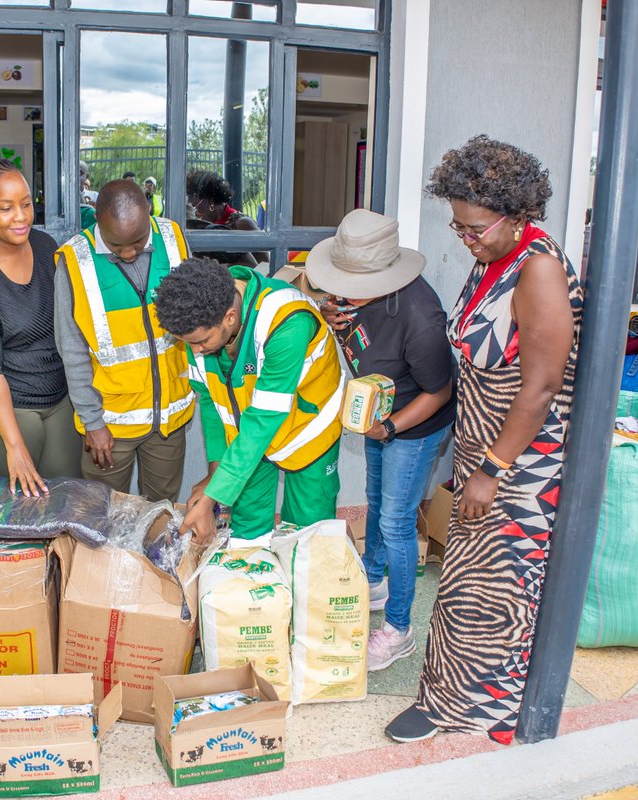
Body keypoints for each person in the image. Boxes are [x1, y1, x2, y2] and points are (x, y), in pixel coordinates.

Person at [386, 135, 582, 746]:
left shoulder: (539, 268)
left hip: (522, 463)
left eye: (473, 227)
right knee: (463, 583)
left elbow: (543, 384)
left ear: (517, 214)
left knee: (496, 591)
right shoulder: (495, 255)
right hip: (483, 449)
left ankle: (486, 709)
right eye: (457, 225)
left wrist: (492, 468)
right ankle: (456, 699)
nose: (463, 238)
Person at [306, 209, 455, 673]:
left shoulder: (420, 319)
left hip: (413, 425)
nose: (340, 288)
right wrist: (324, 310)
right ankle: (373, 580)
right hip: (377, 414)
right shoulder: (352, 293)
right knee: (375, 499)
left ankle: (399, 629)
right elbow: (299, 281)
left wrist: (390, 428)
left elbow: (440, 390)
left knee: (395, 521)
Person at [154, 257, 344, 542]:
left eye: (201, 341)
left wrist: (211, 497)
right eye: (188, 342)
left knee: (308, 534)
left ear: (230, 317)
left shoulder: (288, 321)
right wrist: (216, 474)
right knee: (247, 529)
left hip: (307, 431)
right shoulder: (201, 318)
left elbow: (264, 419)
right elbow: (211, 402)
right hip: (248, 439)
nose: (196, 350)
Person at [54, 179, 194, 501]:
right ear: (98, 223)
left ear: (148, 213)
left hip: (169, 418)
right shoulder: (75, 262)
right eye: (117, 247)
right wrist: (92, 422)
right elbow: (72, 351)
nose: (130, 253)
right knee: (103, 518)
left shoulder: (172, 237)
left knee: (161, 516)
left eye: (139, 241)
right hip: (109, 426)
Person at [0, 159, 82, 495]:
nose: (21, 216)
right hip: (11, 406)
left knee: (65, 499)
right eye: (6, 208)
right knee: (22, 505)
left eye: (26, 204)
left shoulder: (45, 246)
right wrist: (14, 446)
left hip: (59, 398)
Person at [80, 160, 98, 229]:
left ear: (86, 176)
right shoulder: (61, 197)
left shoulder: (95, 196)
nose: (74, 176)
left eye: (80, 173)